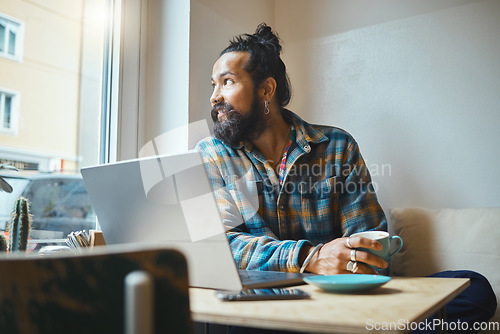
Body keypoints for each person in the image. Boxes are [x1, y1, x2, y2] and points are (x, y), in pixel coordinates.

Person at [196, 23, 496, 334]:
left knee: (473, 287)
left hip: (338, 297)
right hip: (265, 304)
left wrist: (354, 264)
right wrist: (310, 257)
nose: (214, 97)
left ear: (266, 90)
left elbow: (370, 244)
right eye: (212, 86)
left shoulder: (337, 147)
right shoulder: (211, 154)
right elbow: (219, 247)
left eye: (226, 82)